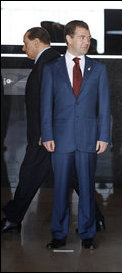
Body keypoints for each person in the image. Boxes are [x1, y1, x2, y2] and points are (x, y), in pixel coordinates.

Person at [1, 27, 106, 234]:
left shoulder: (49, 62)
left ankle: (13, 219)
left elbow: (53, 101)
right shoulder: (47, 61)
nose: (23, 48)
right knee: (72, 177)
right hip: (50, 135)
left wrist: (45, 132)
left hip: (47, 137)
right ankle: (96, 218)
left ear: (37, 41)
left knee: (30, 176)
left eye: (26, 43)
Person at [41, 20, 110, 250]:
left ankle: (87, 233)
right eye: (82, 37)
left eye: (88, 38)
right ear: (68, 39)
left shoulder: (98, 69)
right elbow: (46, 106)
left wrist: (103, 136)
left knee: (87, 187)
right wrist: (47, 134)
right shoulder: (52, 69)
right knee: (60, 187)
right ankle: (59, 234)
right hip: (60, 139)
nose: (86, 42)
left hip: (89, 138)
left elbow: (104, 107)